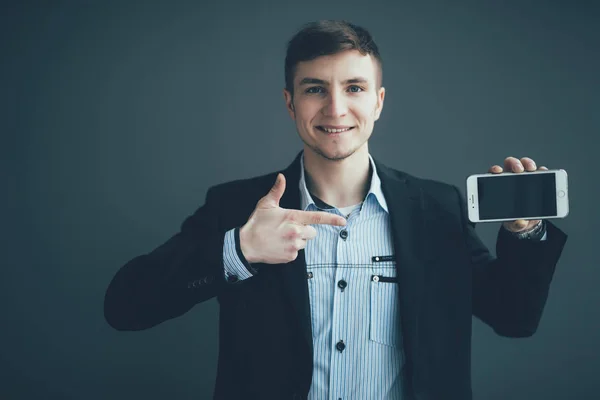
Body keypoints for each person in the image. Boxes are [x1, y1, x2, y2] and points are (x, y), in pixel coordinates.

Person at [104, 20, 568, 400]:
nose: (336, 107)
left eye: (354, 87)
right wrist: (239, 249)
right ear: (290, 103)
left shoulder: (437, 208)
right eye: (314, 89)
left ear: (378, 102)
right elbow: (126, 307)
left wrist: (526, 231)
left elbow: (514, 318)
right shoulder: (236, 207)